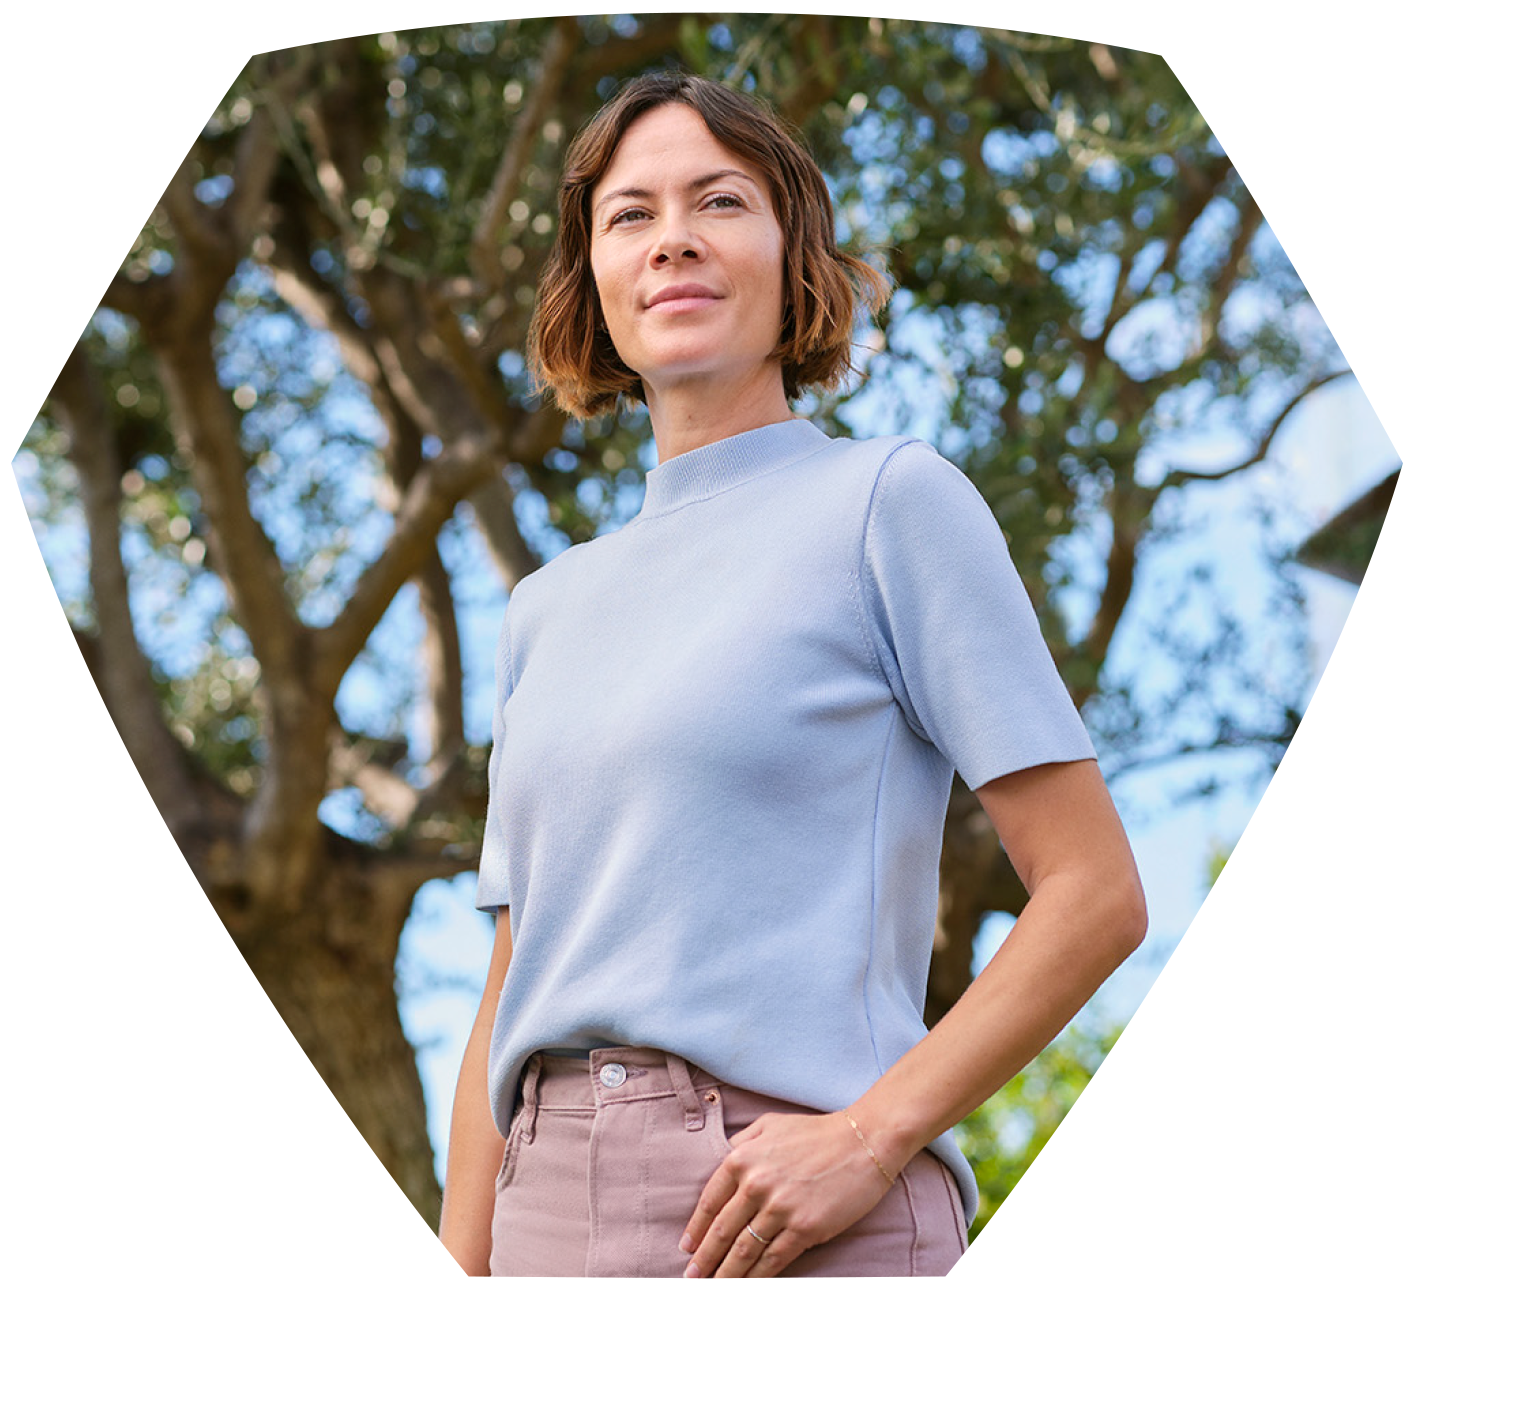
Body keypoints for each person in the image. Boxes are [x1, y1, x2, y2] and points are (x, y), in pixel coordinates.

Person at [438, 70, 1147, 1278]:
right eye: (630, 216)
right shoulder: (540, 611)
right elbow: (512, 984)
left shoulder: (890, 503)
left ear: (792, 257)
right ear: (595, 283)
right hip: (542, 1209)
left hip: (798, 1215)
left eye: (720, 201)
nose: (674, 241)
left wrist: (875, 1136)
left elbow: (1095, 892)